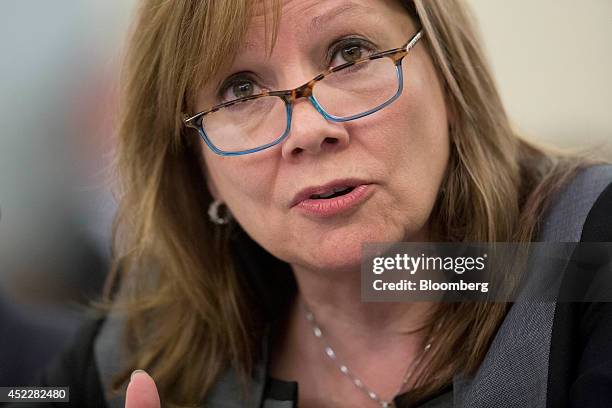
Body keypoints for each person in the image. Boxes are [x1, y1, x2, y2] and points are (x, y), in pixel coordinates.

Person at [9, 0, 611, 407]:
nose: (306, 130)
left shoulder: (587, 257)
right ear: (199, 168)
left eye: (350, 54)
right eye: (239, 90)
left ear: (450, 81)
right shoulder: (146, 338)